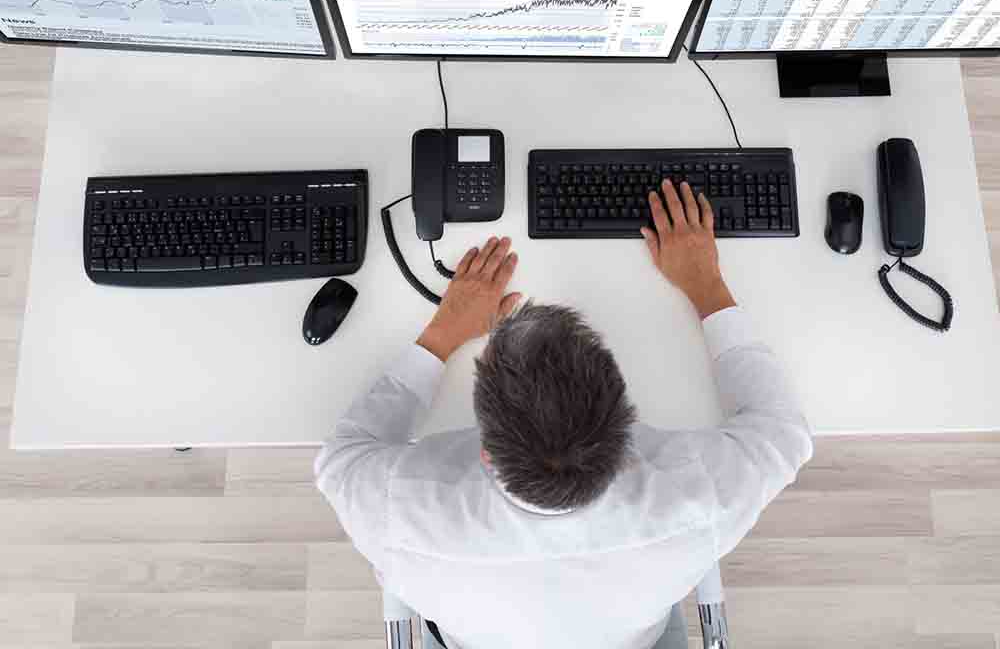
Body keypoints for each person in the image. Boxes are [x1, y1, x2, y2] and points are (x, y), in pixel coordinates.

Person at [315, 180, 813, 649]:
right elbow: (783, 431)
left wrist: (443, 333)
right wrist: (706, 284)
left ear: (486, 453)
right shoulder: (701, 500)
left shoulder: (397, 512)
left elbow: (341, 456)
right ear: (626, 428)